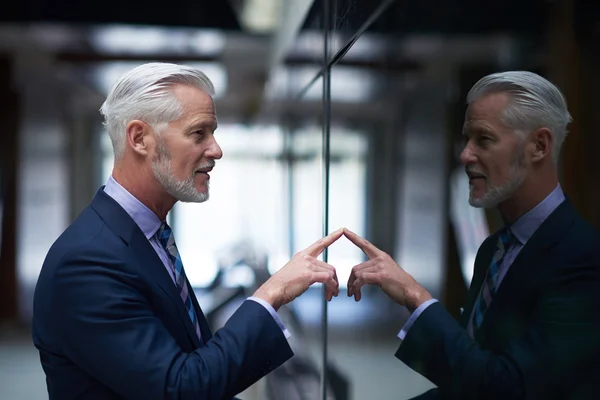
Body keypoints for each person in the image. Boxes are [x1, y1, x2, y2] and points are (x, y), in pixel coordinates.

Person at [32, 62, 342, 400]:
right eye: (199, 133)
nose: (216, 150)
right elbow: (180, 389)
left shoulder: (149, 237)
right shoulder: (87, 263)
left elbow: (191, 363)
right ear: (139, 138)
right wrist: (272, 293)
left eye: (214, 132)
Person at [343, 71, 600, 399]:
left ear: (539, 146)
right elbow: (467, 385)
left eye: (484, 139)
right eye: (466, 139)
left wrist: (415, 297)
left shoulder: (582, 259)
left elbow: (501, 390)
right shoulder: (494, 249)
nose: (465, 155)